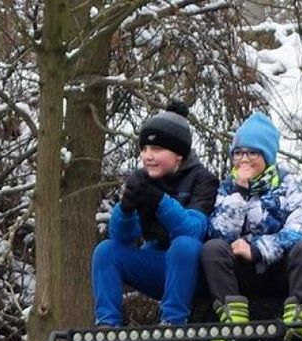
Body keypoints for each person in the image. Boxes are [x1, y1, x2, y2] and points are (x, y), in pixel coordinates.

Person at [91, 101, 219, 327]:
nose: (148, 156)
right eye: (144, 149)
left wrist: (159, 201)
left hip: (195, 273)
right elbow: (122, 237)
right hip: (159, 267)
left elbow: (194, 230)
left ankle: (172, 322)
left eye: (157, 150)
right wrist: (126, 207)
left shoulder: (204, 180)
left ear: (179, 154)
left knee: (184, 245)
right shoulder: (144, 180)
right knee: (106, 250)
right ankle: (107, 325)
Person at [201, 112, 302, 341]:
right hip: (240, 273)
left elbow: (301, 227)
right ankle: (234, 326)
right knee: (212, 249)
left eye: (252, 153)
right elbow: (217, 233)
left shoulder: (290, 185)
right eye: (238, 153)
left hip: (279, 269)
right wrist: (239, 194)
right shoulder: (225, 188)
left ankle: (297, 324)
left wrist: (257, 249)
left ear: (267, 156)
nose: (243, 159)